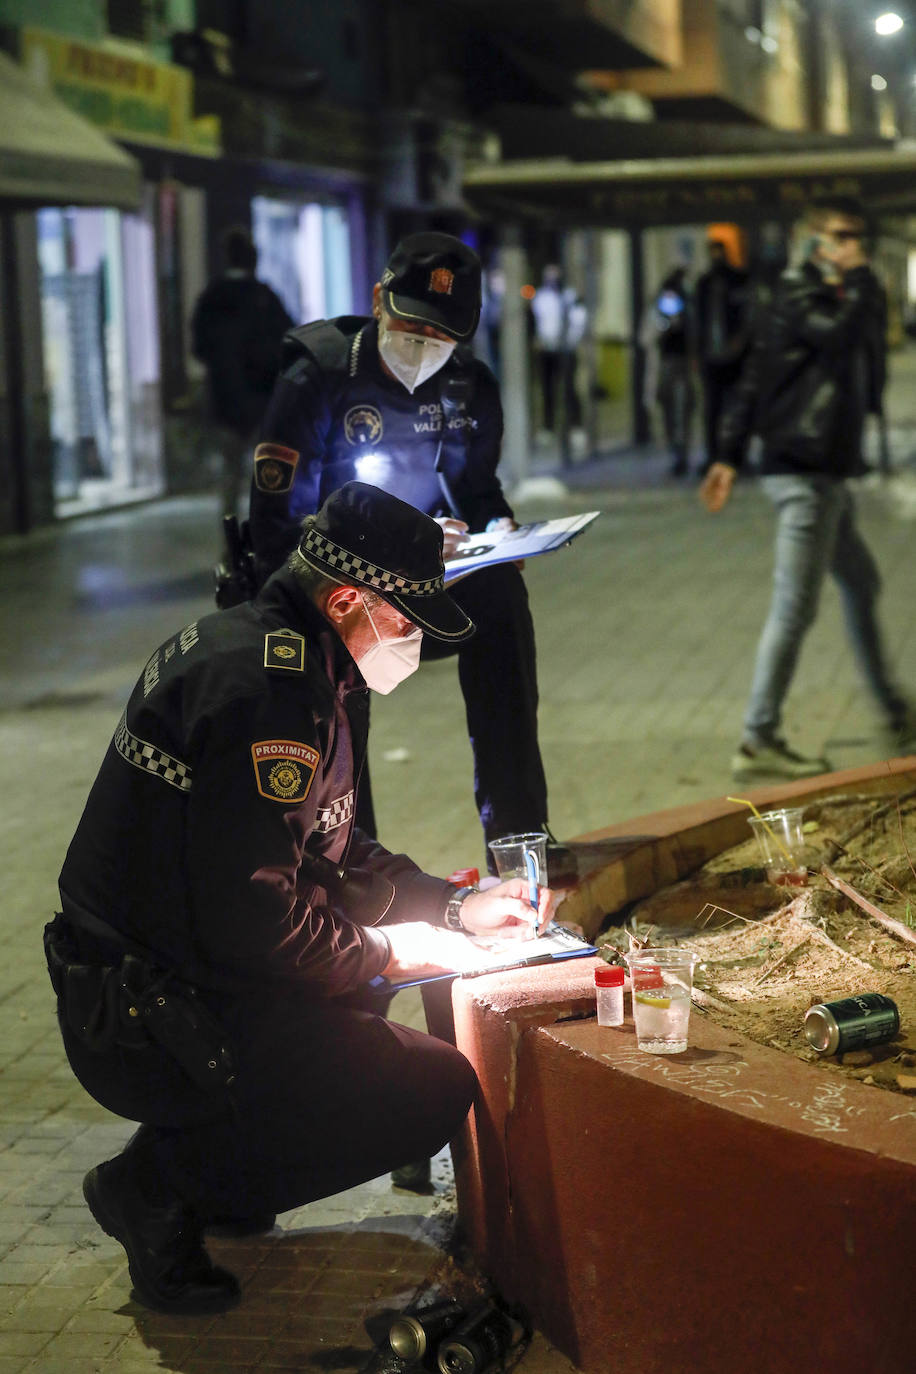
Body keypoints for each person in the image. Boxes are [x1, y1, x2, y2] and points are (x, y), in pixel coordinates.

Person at [46, 481, 559, 1316]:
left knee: (361, 986)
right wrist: (393, 949)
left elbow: (332, 844)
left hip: (168, 974)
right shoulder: (267, 696)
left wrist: (450, 907)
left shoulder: (294, 657)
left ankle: (220, 1172)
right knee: (427, 1090)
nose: (412, 646)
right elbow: (255, 918)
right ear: (349, 598)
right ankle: (155, 1187)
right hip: (140, 1013)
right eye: (404, 623)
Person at [248, 230, 566, 874]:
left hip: (427, 578)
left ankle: (519, 836)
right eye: (411, 330)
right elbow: (276, 525)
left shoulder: (468, 387)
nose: (423, 350)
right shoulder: (319, 376)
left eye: (442, 339)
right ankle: (343, 862)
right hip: (327, 589)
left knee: (501, 599)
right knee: (333, 679)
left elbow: (476, 487)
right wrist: (397, 546)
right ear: (378, 301)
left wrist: (497, 528)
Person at [700, 196, 915, 781]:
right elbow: (843, 339)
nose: (855, 245)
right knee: (794, 608)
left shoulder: (804, 296)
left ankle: (896, 708)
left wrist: (727, 455)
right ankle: (758, 737)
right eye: (843, 236)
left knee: (863, 583)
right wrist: (865, 278)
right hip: (806, 473)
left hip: (822, 472)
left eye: (857, 235)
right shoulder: (804, 297)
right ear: (815, 243)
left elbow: (752, 382)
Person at [190, 226, 293, 521]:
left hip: (225, 401)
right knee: (269, 473)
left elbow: (199, 347)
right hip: (262, 400)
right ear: (253, 260)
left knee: (231, 474)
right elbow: (287, 342)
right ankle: (265, 532)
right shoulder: (263, 297)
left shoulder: (212, 298)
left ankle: (230, 537)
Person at [694, 239, 751, 475]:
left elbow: (748, 315)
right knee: (713, 409)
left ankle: (736, 456)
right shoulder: (704, 284)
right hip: (712, 356)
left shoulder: (738, 281)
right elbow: (697, 320)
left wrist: (740, 341)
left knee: (737, 408)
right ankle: (714, 456)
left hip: (735, 357)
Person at [641, 268, 695, 477]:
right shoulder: (656, 311)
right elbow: (646, 338)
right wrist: (663, 327)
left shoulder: (688, 309)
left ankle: (682, 454)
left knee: (683, 411)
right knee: (669, 411)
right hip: (665, 365)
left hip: (684, 366)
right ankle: (675, 452)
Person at [530, 263, 587, 444]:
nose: (552, 278)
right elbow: (537, 321)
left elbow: (579, 320)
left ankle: (576, 427)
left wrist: (571, 341)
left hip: (567, 349)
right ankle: (548, 427)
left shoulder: (570, 296)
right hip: (548, 350)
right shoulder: (540, 297)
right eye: (549, 274)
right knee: (548, 391)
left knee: (570, 389)